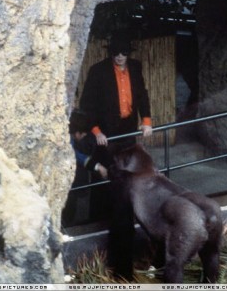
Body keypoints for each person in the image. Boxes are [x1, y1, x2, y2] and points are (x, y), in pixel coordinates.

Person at [79, 34, 153, 280]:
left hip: (127, 129)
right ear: (111, 53)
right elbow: (87, 104)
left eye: (123, 53)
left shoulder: (135, 67)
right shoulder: (98, 71)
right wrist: (96, 131)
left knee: (127, 173)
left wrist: (146, 121)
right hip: (105, 133)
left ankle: (125, 210)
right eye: (116, 53)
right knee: (105, 176)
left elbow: (141, 95)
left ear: (128, 53)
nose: (120, 57)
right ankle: (99, 218)